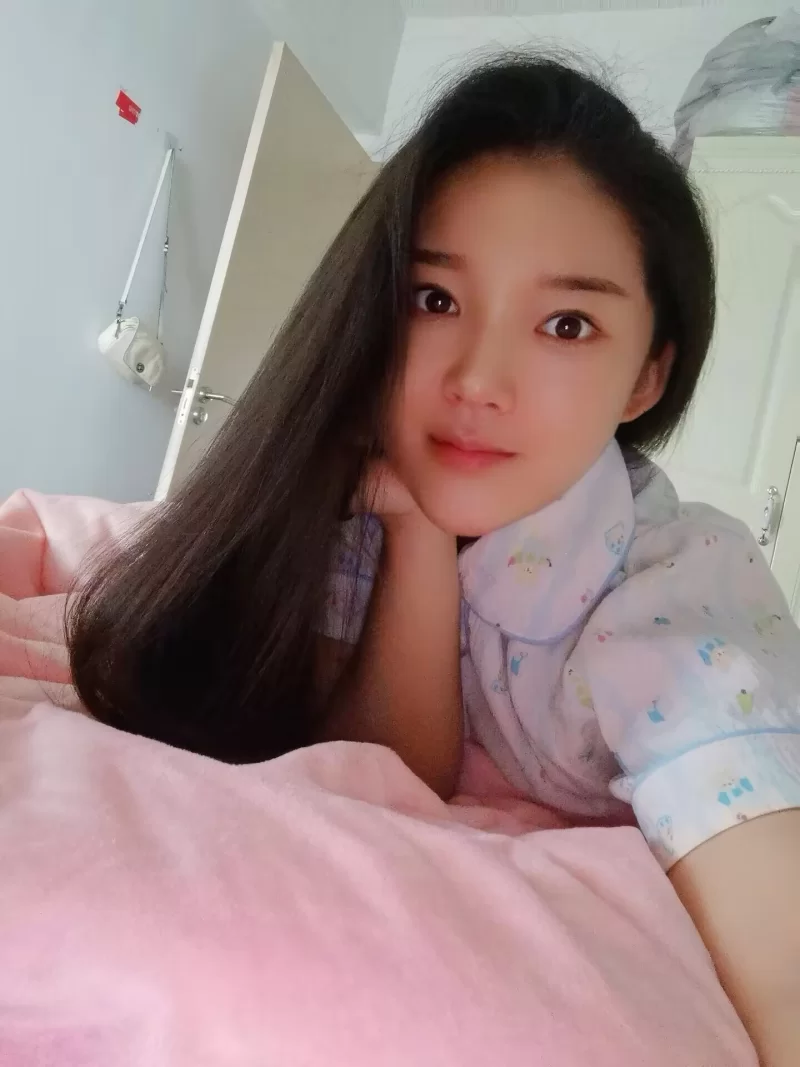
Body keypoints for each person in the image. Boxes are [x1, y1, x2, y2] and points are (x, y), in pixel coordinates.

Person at [68, 58, 799, 1062]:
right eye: (433, 297)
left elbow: (777, 948)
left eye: (566, 323)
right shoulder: (366, 504)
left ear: (646, 375)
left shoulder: (671, 589)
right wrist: (416, 535)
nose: (477, 381)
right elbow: (395, 767)